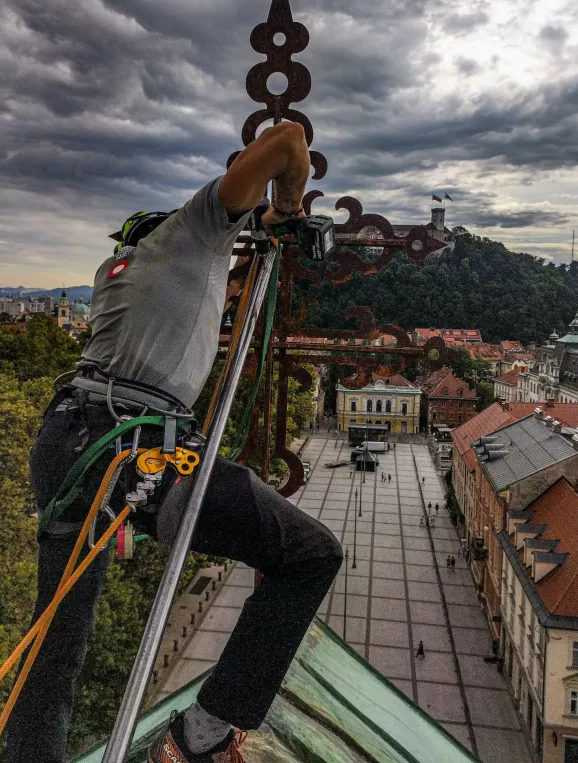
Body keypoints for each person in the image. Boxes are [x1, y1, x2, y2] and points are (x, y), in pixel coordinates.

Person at [5, 122, 344, 763]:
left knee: (56, 641)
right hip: (133, 447)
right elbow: (288, 141)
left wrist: (258, 229)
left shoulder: (121, 269)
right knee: (308, 555)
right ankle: (206, 735)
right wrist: (290, 213)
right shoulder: (194, 226)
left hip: (71, 439)